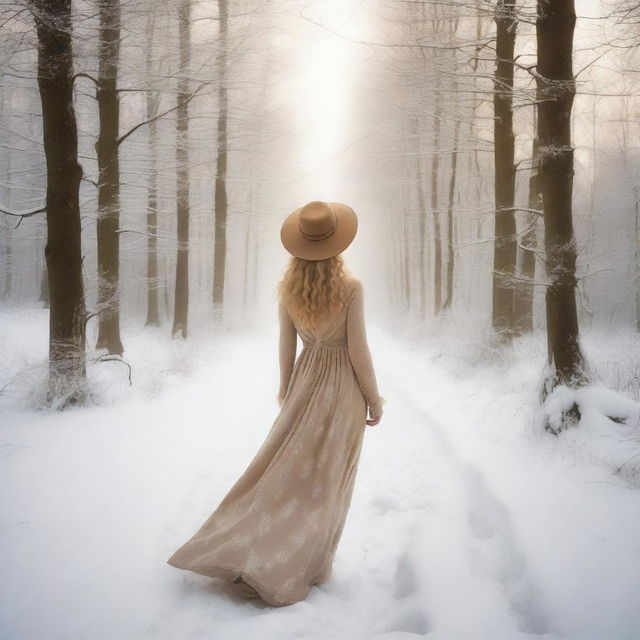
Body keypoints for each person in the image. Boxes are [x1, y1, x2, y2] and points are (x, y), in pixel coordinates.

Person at [166, 200, 385, 606]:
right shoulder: (352, 289)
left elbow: (286, 343)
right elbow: (359, 351)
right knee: (326, 480)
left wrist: (286, 388)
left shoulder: (288, 291)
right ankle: (308, 564)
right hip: (342, 391)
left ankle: (255, 547)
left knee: (283, 471)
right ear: (337, 245)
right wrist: (374, 398)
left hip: (305, 382)